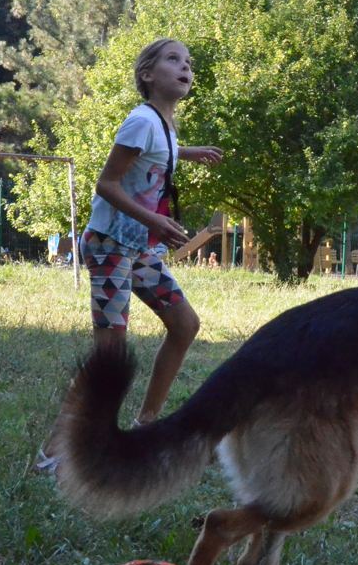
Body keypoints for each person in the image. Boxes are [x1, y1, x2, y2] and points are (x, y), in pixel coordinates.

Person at [38, 38, 222, 471]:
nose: (186, 67)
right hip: (109, 246)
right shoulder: (140, 121)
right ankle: (53, 453)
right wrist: (156, 221)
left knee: (185, 324)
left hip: (136, 248)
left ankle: (146, 424)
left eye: (188, 63)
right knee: (110, 356)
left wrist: (188, 153)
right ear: (147, 75)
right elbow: (107, 184)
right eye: (173, 60)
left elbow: (161, 153)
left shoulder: (164, 124)